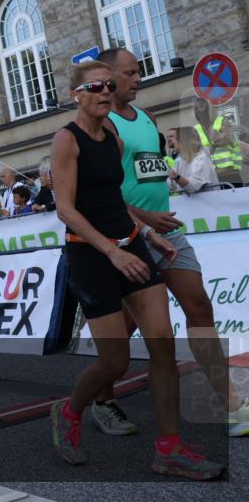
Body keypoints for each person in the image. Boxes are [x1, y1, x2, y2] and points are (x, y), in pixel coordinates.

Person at [50, 60, 224, 478]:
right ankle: (70, 411)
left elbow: (113, 199)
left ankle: (169, 448)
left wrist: (144, 235)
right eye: (96, 86)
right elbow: (66, 210)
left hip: (131, 246)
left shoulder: (112, 135)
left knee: (162, 346)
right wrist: (111, 252)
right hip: (91, 256)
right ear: (77, 94)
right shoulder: (66, 140)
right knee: (115, 361)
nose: (106, 91)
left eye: (110, 85)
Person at [99, 48, 249, 438]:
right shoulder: (105, 126)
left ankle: (230, 404)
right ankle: (96, 400)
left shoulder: (147, 119)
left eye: (139, 72)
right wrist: (144, 220)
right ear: (108, 75)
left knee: (200, 307)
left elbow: (152, 173)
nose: (139, 78)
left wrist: (159, 211)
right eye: (131, 73)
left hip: (168, 234)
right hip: (131, 237)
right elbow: (102, 192)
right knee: (127, 332)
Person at [193, 99, 242, 187]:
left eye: (201, 107)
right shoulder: (196, 129)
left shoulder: (222, 120)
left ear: (209, 108)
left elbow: (226, 140)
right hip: (212, 178)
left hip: (230, 174)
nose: (198, 111)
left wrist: (212, 143)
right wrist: (217, 138)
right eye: (196, 108)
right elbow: (197, 152)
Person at [169, 126, 219, 194]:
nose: (173, 141)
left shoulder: (202, 159)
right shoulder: (179, 160)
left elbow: (193, 187)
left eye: (176, 139)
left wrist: (176, 177)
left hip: (208, 203)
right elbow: (170, 185)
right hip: (188, 203)